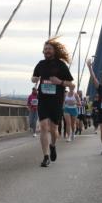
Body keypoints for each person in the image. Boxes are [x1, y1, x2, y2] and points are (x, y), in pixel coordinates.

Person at [32, 38, 74, 167]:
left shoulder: (61, 65)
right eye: (45, 49)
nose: (47, 51)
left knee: (54, 129)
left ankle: (53, 145)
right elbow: (34, 77)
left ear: (54, 51)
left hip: (56, 100)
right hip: (43, 99)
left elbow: (71, 85)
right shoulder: (40, 64)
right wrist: (34, 78)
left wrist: (60, 82)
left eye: (49, 49)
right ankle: (46, 156)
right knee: (44, 126)